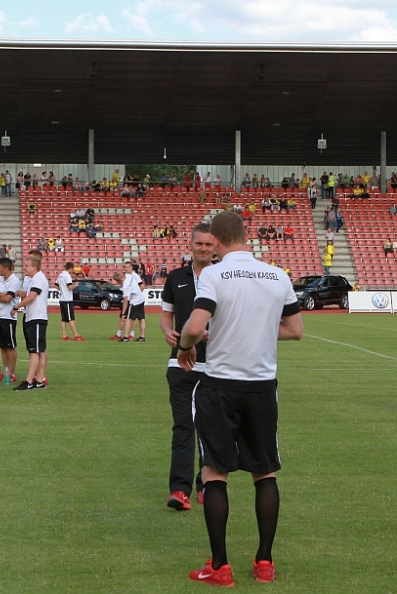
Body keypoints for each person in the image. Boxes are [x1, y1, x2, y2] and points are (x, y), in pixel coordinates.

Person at [175, 211, 303, 587]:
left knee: (215, 472)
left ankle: (220, 566)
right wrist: (257, 330)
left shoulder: (214, 274)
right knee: (265, 472)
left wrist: (186, 346)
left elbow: (196, 326)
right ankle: (264, 562)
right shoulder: (277, 274)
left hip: (221, 384)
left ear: (214, 242)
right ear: (246, 236)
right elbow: (295, 330)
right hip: (262, 385)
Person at [159, 223, 214, 512]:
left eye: (208, 244)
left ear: (215, 247)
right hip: (179, 362)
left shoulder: (223, 277)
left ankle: (207, 484)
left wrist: (209, 334)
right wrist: (168, 331)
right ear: (190, 245)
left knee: (210, 429)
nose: (203, 248)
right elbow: (166, 317)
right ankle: (180, 490)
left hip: (215, 365)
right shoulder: (175, 278)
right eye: (199, 244)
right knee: (183, 426)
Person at [14, 254, 50, 391]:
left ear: (34, 267)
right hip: (34, 317)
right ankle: (39, 380)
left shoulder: (38, 278)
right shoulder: (35, 279)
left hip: (36, 318)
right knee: (39, 351)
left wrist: (16, 307)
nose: (25, 268)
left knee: (34, 351)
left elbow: (32, 297)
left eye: (27, 266)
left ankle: (29, 381)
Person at [0, 258, 22, 386]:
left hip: (8, 317)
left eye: (0, 267)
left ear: (5, 268)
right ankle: (6, 372)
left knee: (10, 346)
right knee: (2, 346)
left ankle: (12, 373)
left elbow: (7, 298)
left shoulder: (14, 281)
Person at [57, 262, 85, 341]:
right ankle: (76, 335)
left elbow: (55, 285)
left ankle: (64, 335)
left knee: (63, 319)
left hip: (62, 299)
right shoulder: (67, 276)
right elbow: (70, 287)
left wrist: (62, 290)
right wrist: (75, 285)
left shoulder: (60, 275)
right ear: (71, 268)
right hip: (67, 299)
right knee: (70, 318)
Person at [121, 261, 147, 342]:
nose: (126, 269)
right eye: (125, 267)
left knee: (129, 317)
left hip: (135, 300)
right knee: (141, 318)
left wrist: (136, 294)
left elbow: (142, 286)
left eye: (128, 267)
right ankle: (142, 337)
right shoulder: (128, 276)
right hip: (140, 299)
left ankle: (126, 336)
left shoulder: (135, 276)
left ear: (132, 267)